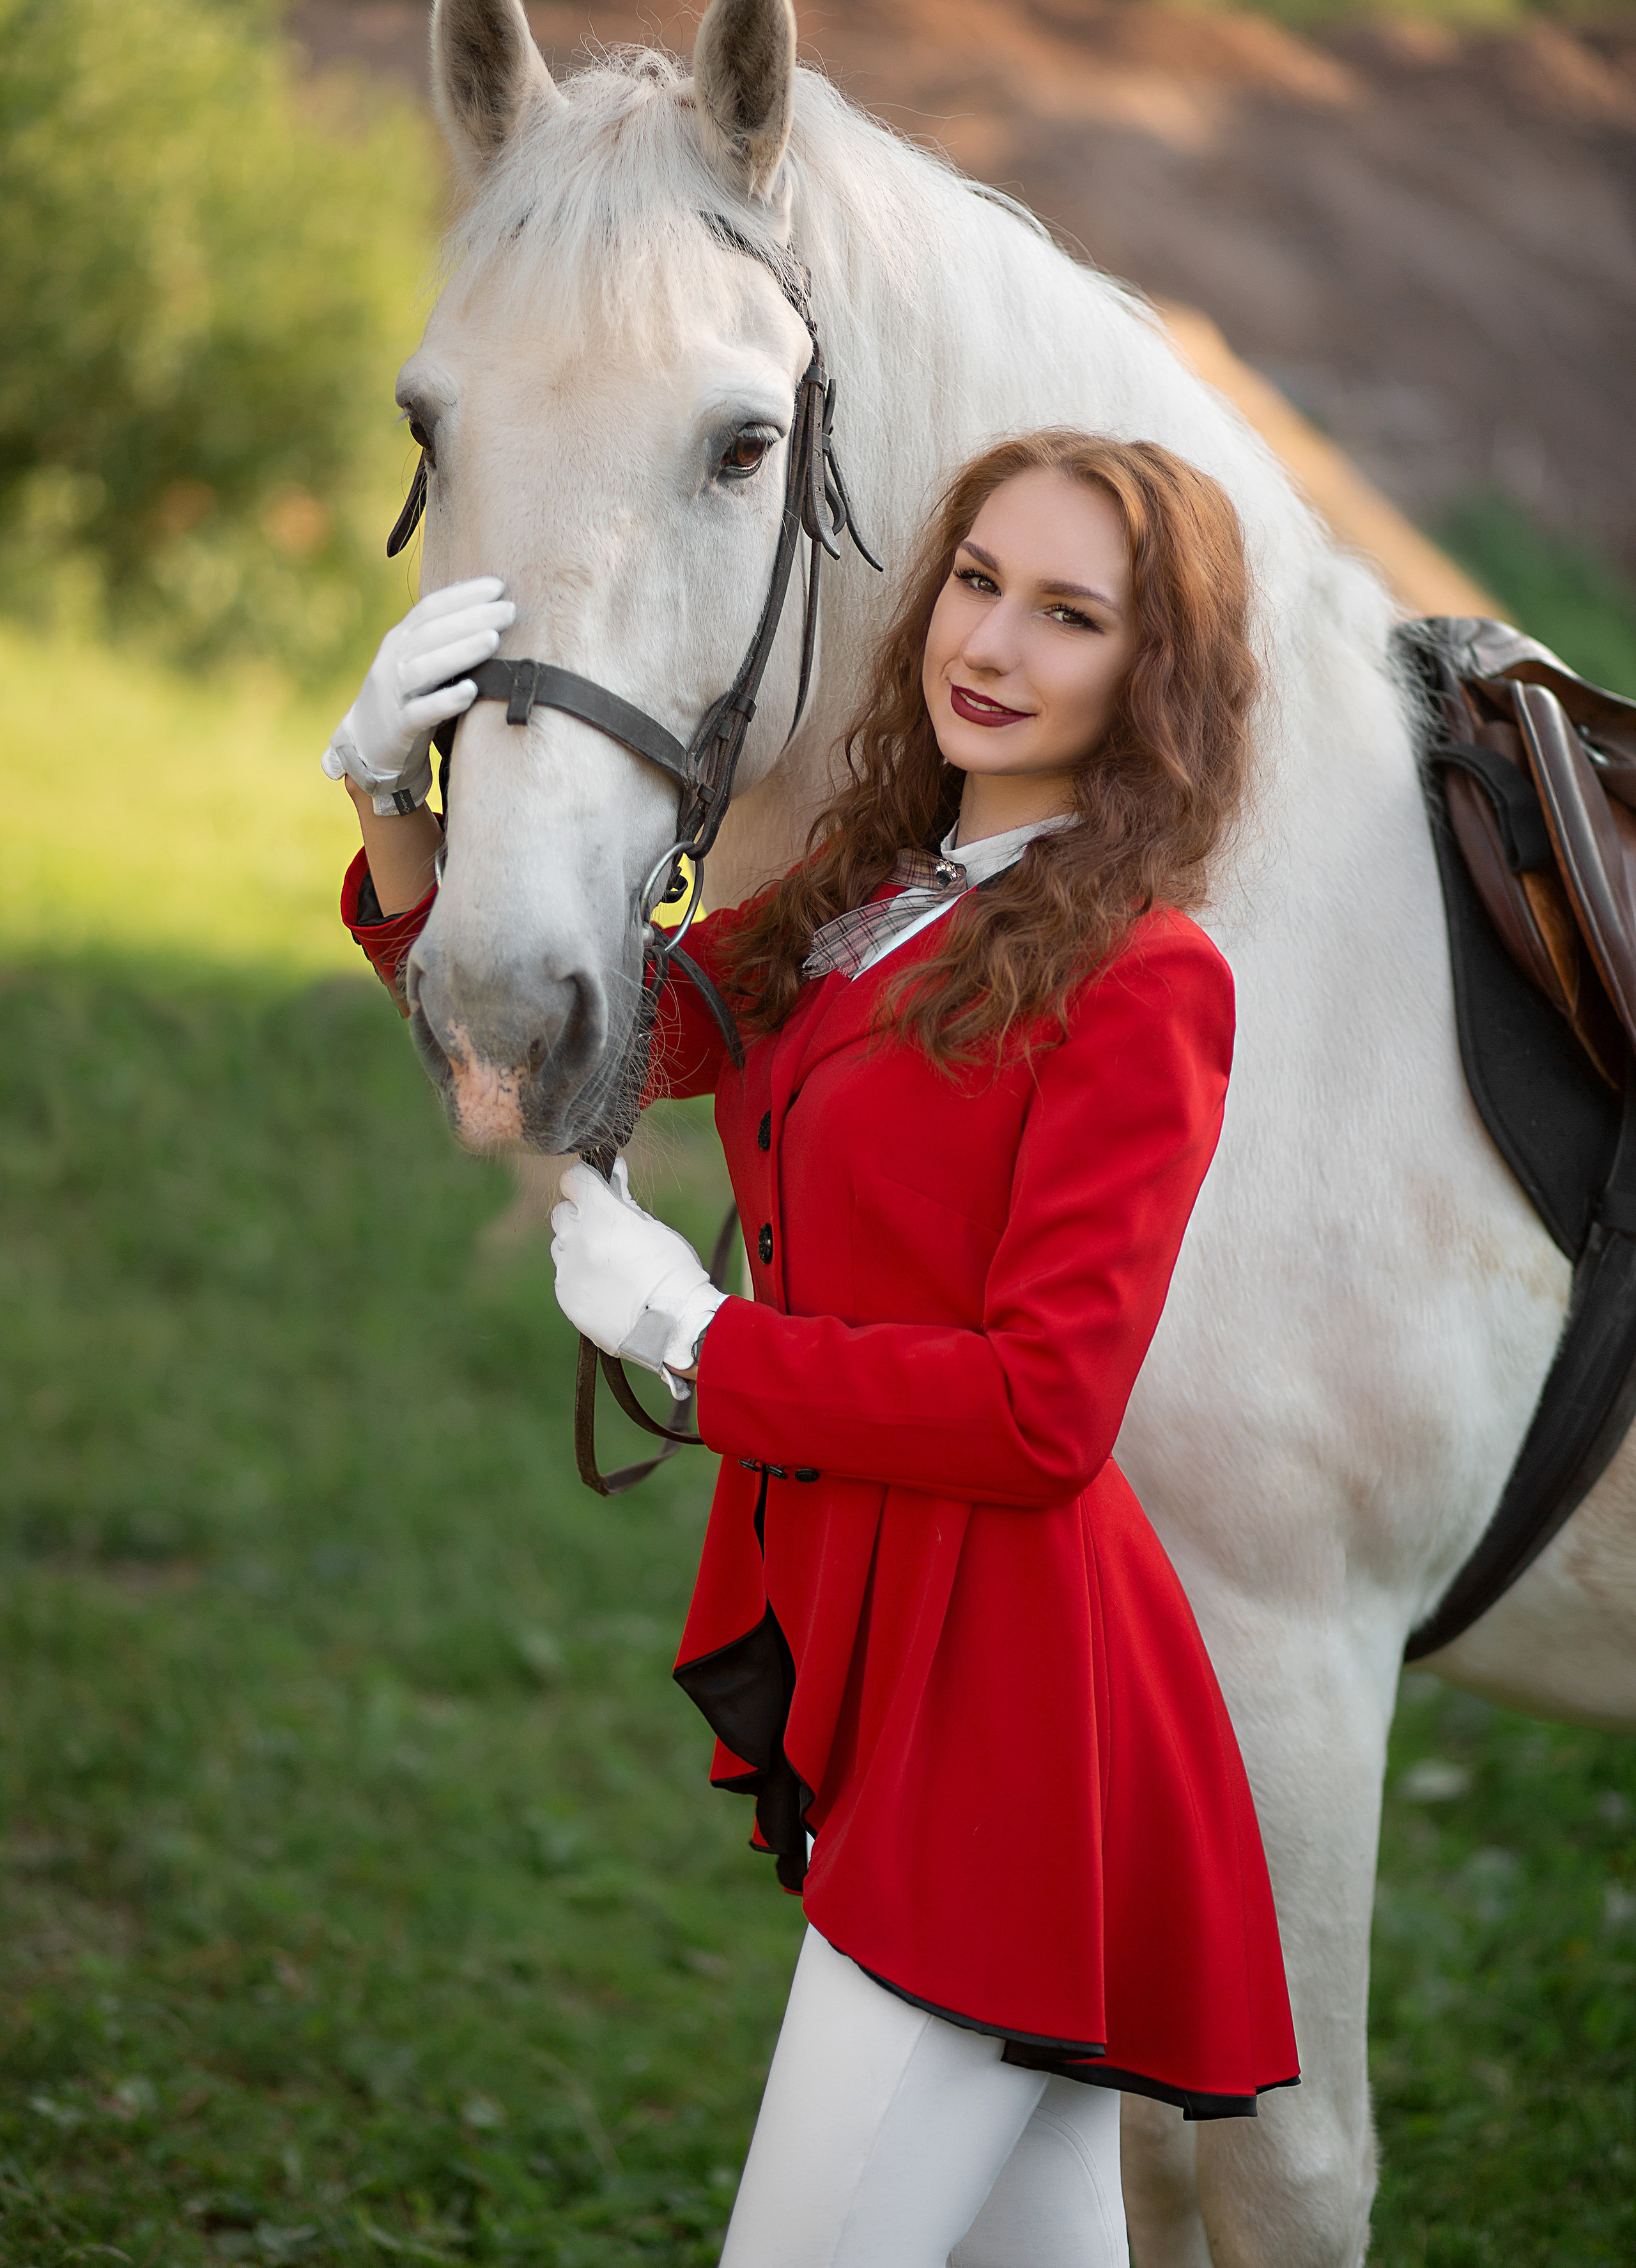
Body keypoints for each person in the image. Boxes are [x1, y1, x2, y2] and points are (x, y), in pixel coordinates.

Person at [328, 431, 1298, 2265]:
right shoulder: (869, 891)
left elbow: (1044, 1416)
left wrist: (707, 1343)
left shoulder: (1152, 978)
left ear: (1147, 680)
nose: (993, 642)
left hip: (1012, 1702)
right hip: (899, 1639)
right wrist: (392, 794)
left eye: (1070, 614)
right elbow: (520, 1079)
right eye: (979, 580)